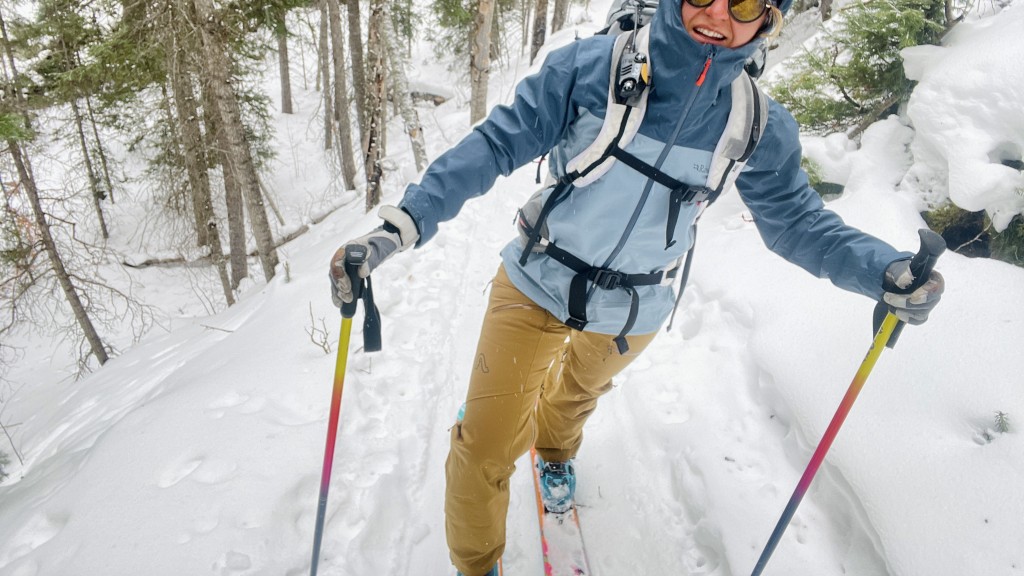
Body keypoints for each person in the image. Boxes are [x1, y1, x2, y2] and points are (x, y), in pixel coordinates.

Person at [329, 0, 945, 574]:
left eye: (747, 6)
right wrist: (401, 226)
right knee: (484, 449)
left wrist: (880, 270)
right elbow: (494, 145)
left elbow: (796, 223)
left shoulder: (757, 122)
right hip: (538, 277)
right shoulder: (592, 69)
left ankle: (556, 452)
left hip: (636, 304)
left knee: (572, 399)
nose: (718, 17)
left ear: (768, 22)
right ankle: (476, 564)